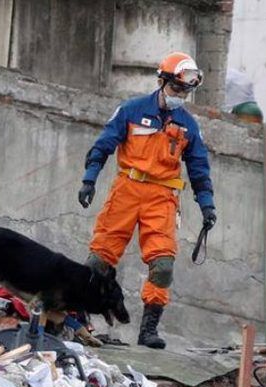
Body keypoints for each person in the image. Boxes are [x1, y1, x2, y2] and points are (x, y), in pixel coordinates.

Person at [77, 52, 216, 349]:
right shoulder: (131, 110)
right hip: (127, 189)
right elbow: (103, 145)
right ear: (162, 82)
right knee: (99, 259)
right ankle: (79, 318)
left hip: (163, 197)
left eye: (186, 91)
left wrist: (207, 205)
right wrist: (90, 179)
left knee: (163, 266)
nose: (181, 95)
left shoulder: (189, 126)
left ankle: (149, 330)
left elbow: (199, 168)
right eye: (177, 89)